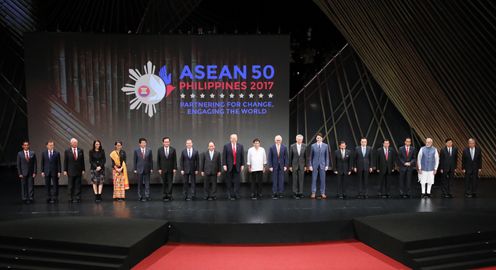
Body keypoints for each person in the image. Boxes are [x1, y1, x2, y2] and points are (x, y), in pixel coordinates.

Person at [222, 134, 244, 200]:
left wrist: (242, 164)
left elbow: (242, 156)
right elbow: (224, 156)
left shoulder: (240, 146)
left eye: (235, 138)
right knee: (228, 181)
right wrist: (224, 164)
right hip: (229, 166)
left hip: (237, 166)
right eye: (232, 138)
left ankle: (236, 194)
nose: (234, 139)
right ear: (230, 139)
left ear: (237, 139)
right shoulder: (226, 146)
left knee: (237, 181)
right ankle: (229, 194)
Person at [308, 133, 330, 199]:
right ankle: (313, 192)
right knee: (314, 179)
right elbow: (310, 156)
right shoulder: (313, 146)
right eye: (317, 138)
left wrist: (327, 165)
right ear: (316, 138)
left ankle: (322, 193)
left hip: (322, 165)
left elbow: (327, 157)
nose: (318, 139)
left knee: (322, 179)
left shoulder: (325, 146)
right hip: (314, 165)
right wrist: (310, 165)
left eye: (320, 138)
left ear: (322, 138)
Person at [64, 138, 85, 203]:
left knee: (78, 185)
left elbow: (82, 161)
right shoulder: (67, 151)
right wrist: (65, 170)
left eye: (76, 143)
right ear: (71, 143)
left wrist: (83, 169)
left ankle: (78, 197)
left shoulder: (80, 150)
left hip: (78, 170)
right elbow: (65, 161)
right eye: (74, 143)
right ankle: (70, 198)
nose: (75, 144)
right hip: (70, 170)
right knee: (70, 185)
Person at [268, 135, 289, 199]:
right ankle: (274, 193)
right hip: (274, 166)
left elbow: (286, 157)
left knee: (281, 180)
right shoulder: (272, 147)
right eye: (277, 140)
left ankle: (280, 193)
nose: (278, 141)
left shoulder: (284, 147)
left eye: (279, 140)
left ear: (281, 140)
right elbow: (270, 157)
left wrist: (285, 165)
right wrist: (270, 166)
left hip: (282, 166)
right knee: (274, 180)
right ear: (275, 140)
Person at [157, 137, 177, 201]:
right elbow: (158, 160)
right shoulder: (159, 150)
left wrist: (175, 168)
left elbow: (175, 160)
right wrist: (159, 168)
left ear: (169, 142)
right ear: (163, 142)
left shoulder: (173, 149)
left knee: (170, 182)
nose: (167, 143)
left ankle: (170, 195)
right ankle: (164, 195)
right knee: (164, 182)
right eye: (165, 142)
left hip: (171, 169)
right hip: (162, 169)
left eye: (168, 142)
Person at [289, 134, 307, 199]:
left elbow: (306, 156)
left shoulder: (305, 146)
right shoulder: (292, 146)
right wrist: (290, 166)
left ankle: (300, 193)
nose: (299, 140)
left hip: (302, 165)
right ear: (296, 139)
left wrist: (306, 166)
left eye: (301, 139)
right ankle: (295, 193)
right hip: (294, 165)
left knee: (301, 179)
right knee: (294, 179)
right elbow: (290, 156)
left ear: (302, 140)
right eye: (298, 139)